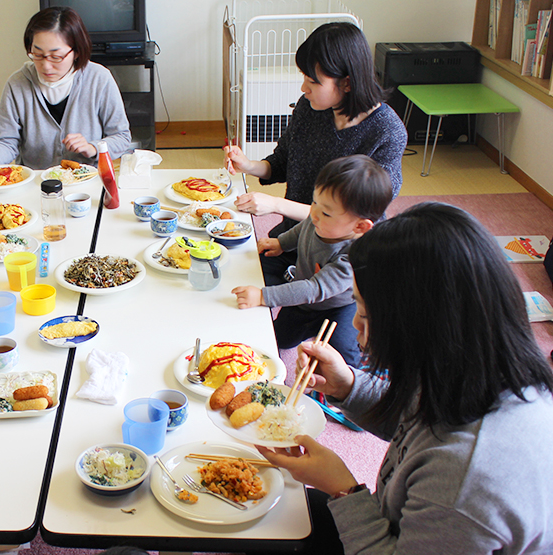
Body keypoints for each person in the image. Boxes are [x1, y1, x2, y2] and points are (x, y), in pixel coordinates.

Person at [259, 202, 553, 554]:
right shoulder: (477, 371)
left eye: (364, 316)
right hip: (396, 522)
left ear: (419, 328)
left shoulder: (467, 481)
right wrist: (348, 386)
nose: (354, 326)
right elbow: (416, 421)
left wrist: (343, 489)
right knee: (268, 509)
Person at [225, 22, 406, 271]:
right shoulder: (310, 107)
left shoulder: (387, 132)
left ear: (348, 83)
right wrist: (249, 165)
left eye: (313, 81)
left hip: (342, 254)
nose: (303, 88)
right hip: (295, 238)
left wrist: (276, 205)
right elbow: (282, 162)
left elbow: (353, 215)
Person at [232, 155, 392, 367]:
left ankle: (360, 372)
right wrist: (281, 243)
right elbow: (302, 229)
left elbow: (314, 289)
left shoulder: (354, 256)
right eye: (314, 201)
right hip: (305, 303)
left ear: (359, 227)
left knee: (342, 351)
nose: (314, 213)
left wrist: (264, 296)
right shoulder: (318, 219)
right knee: (280, 338)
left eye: (325, 212)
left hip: (338, 307)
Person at [0, 6, 131, 170]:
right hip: (36, 182)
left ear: (76, 52)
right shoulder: (17, 83)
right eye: (37, 55)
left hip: (85, 180)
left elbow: (121, 137)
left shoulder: (99, 79)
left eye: (56, 57)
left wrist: (93, 147)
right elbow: (6, 140)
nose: (46, 66)